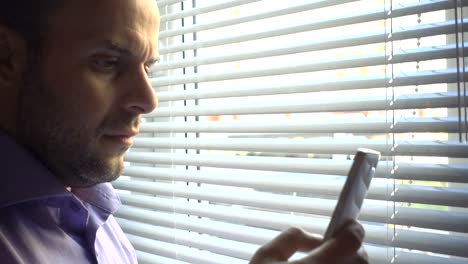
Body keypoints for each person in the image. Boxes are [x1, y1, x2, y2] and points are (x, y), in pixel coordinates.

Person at [0, 0, 368, 263]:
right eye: (108, 62)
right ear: (8, 59)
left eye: (148, 68)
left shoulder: (87, 203)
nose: (148, 99)